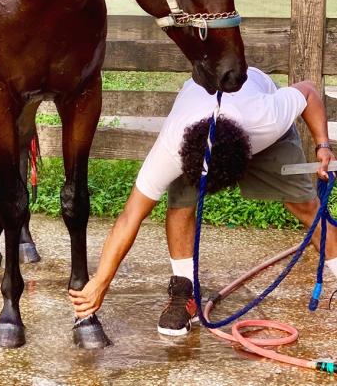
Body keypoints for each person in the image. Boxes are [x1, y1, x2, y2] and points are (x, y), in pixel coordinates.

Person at [69, 67, 337, 336]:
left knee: (305, 206)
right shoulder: (172, 148)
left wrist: (322, 145)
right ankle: (185, 292)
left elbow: (310, 92)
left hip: (259, 123)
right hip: (197, 124)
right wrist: (101, 281)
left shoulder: (266, 117)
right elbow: (131, 215)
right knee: (180, 204)